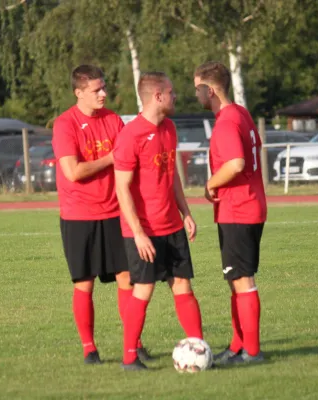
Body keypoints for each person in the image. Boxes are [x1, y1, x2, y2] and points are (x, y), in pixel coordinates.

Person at [51, 64, 149, 365]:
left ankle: (133, 345)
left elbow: (130, 160)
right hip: (79, 215)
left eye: (104, 87)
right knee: (85, 283)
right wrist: (111, 157)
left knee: (127, 278)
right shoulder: (64, 124)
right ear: (79, 93)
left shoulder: (113, 120)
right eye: (96, 90)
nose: (103, 94)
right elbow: (74, 171)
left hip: (115, 213)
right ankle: (89, 349)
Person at [114, 71, 204, 371]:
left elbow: (172, 175)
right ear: (157, 96)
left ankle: (199, 351)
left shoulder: (169, 128)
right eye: (172, 91)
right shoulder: (130, 135)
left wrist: (186, 213)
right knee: (143, 290)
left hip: (171, 226)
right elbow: (122, 188)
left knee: (183, 286)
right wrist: (138, 233)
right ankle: (129, 358)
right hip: (144, 230)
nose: (176, 96)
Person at [193, 61, 267, 364]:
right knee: (236, 278)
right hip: (249, 205)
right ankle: (238, 346)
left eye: (197, 88)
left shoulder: (225, 121)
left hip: (238, 209)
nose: (194, 93)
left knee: (242, 281)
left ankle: (251, 352)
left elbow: (236, 163)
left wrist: (210, 184)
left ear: (209, 90)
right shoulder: (241, 114)